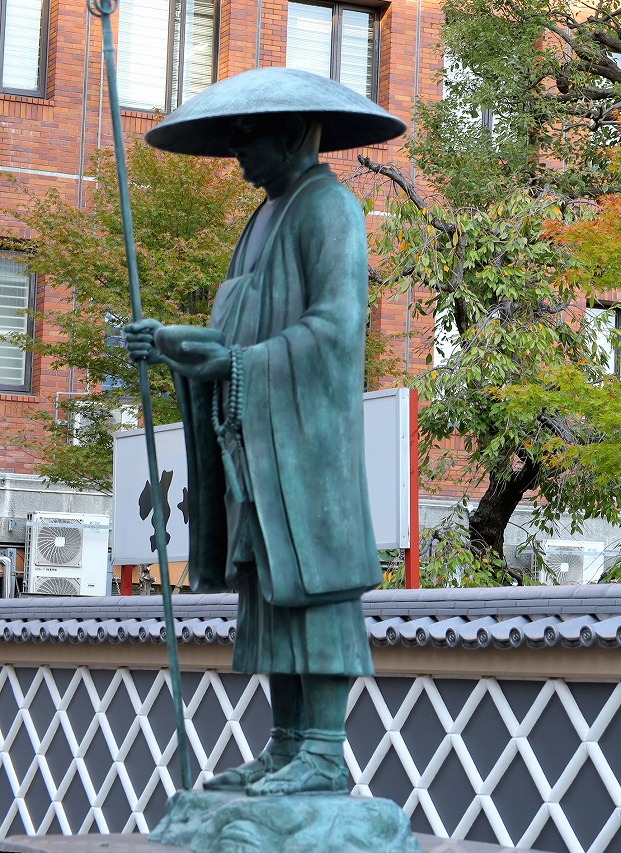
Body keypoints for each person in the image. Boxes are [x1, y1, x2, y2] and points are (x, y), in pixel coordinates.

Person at [125, 68, 405, 796]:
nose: (237, 152)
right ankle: (286, 745)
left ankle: (325, 750)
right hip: (254, 443)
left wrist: (240, 363)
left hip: (307, 442)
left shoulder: (329, 208)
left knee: (314, 590)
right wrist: (169, 342)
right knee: (270, 590)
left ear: (294, 133)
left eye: (248, 136)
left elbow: (336, 328)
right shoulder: (260, 220)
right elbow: (231, 336)